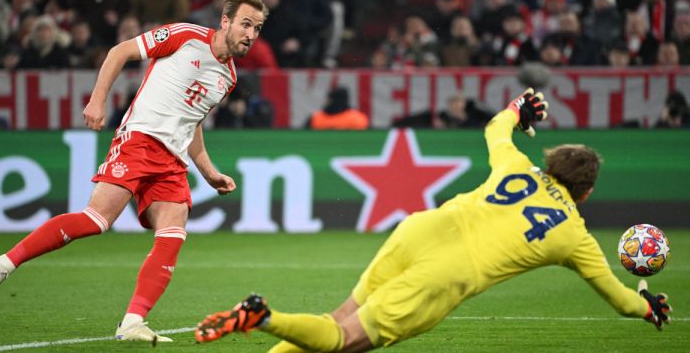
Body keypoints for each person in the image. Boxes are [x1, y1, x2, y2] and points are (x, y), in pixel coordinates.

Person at [194, 88, 672, 352]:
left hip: (421, 230)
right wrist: (648, 306)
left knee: (336, 319)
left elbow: (495, 126)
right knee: (342, 341)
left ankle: (265, 321)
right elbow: (621, 302)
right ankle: (263, 316)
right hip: (448, 273)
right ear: (585, 192)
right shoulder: (575, 236)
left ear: (551, 165)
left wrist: (518, 109)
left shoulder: (518, 166)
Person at [0, 0, 268, 343]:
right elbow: (121, 51)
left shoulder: (229, 78)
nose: (251, 34)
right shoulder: (186, 36)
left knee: (173, 233)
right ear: (226, 21)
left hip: (173, 161)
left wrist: (208, 171)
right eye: (246, 24)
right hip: (139, 140)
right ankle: (2, 265)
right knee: (96, 220)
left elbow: (193, 121)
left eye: (257, 28)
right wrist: (97, 100)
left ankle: (132, 322)